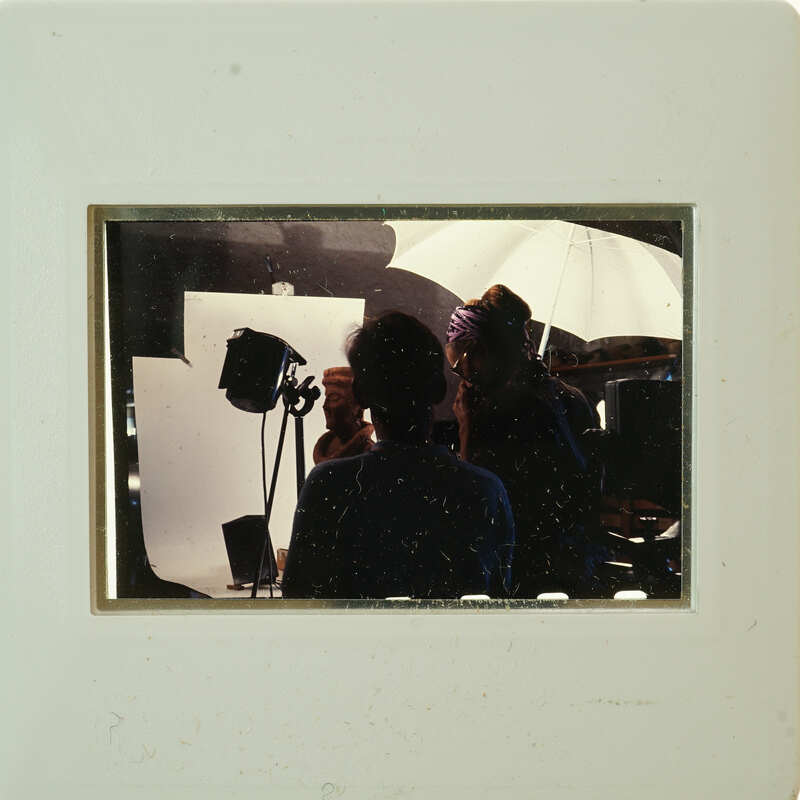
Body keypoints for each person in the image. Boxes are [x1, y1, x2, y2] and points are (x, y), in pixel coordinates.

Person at [281, 312, 515, 599]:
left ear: (360, 394)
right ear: (440, 389)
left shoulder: (327, 485)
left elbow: (297, 600)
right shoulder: (486, 490)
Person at [445, 285, 603, 598]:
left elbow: (475, 505)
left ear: (482, 351)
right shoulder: (570, 397)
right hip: (577, 566)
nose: (461, 375)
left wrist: (466, 428)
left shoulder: (497, 412)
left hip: (519, 575)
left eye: (460, 362)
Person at [312, 366, 375, 464]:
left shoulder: (369, 456)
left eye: (334, 398)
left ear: (357, 409)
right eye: (326, 398)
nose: (325, 407)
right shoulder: (326, 448)